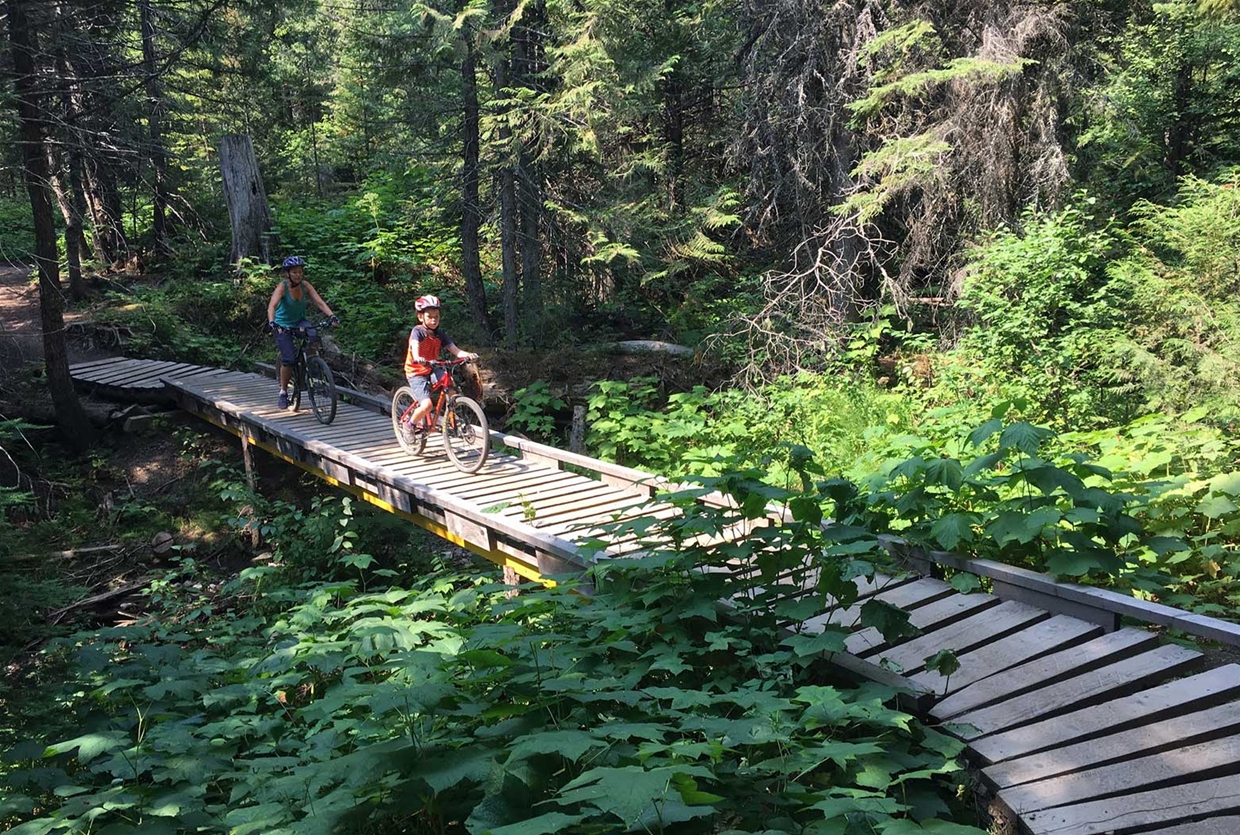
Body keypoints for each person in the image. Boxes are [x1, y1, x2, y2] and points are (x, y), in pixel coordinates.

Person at [267, 256, 338, 408]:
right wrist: (272, 322)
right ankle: (283, 392)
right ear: (288, 274)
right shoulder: (282, 287)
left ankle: (312, 366)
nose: (298, 275)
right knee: (289, 359)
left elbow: (319, 301)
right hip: (282, 325)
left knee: (313, 335)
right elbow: (271, 306)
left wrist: (332, 316)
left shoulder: (305, 286)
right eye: (294, 272)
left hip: (299, 322)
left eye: (300, 272)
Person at [403, 294, 478, 430]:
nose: (433, 320)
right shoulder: (418, 332)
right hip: (416, 372)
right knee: (427, 405)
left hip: (432, 367)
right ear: (421, 317)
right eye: (430, 317)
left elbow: (454, 350)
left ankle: (455, 416)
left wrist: (468, 355)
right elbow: (415, 346)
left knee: (450, 384)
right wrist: (418, 357)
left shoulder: (440, 334)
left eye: (436, 316)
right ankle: (409, 425)